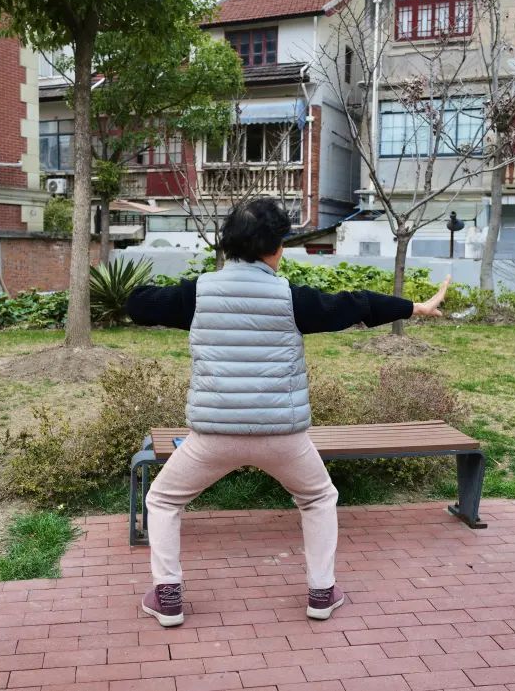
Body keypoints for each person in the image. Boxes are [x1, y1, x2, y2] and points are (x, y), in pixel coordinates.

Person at [124, 198, 451, 628]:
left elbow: (138, 303)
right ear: (277, 248)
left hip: (213, 437)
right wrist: (415, 307)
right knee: (318, 499)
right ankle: (322, 593)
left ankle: (167, 597)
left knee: (163, 501)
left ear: (226, 245)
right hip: (283, 437)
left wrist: (184, 291)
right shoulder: (292, 298)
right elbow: (357, 304)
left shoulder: (196, 295)